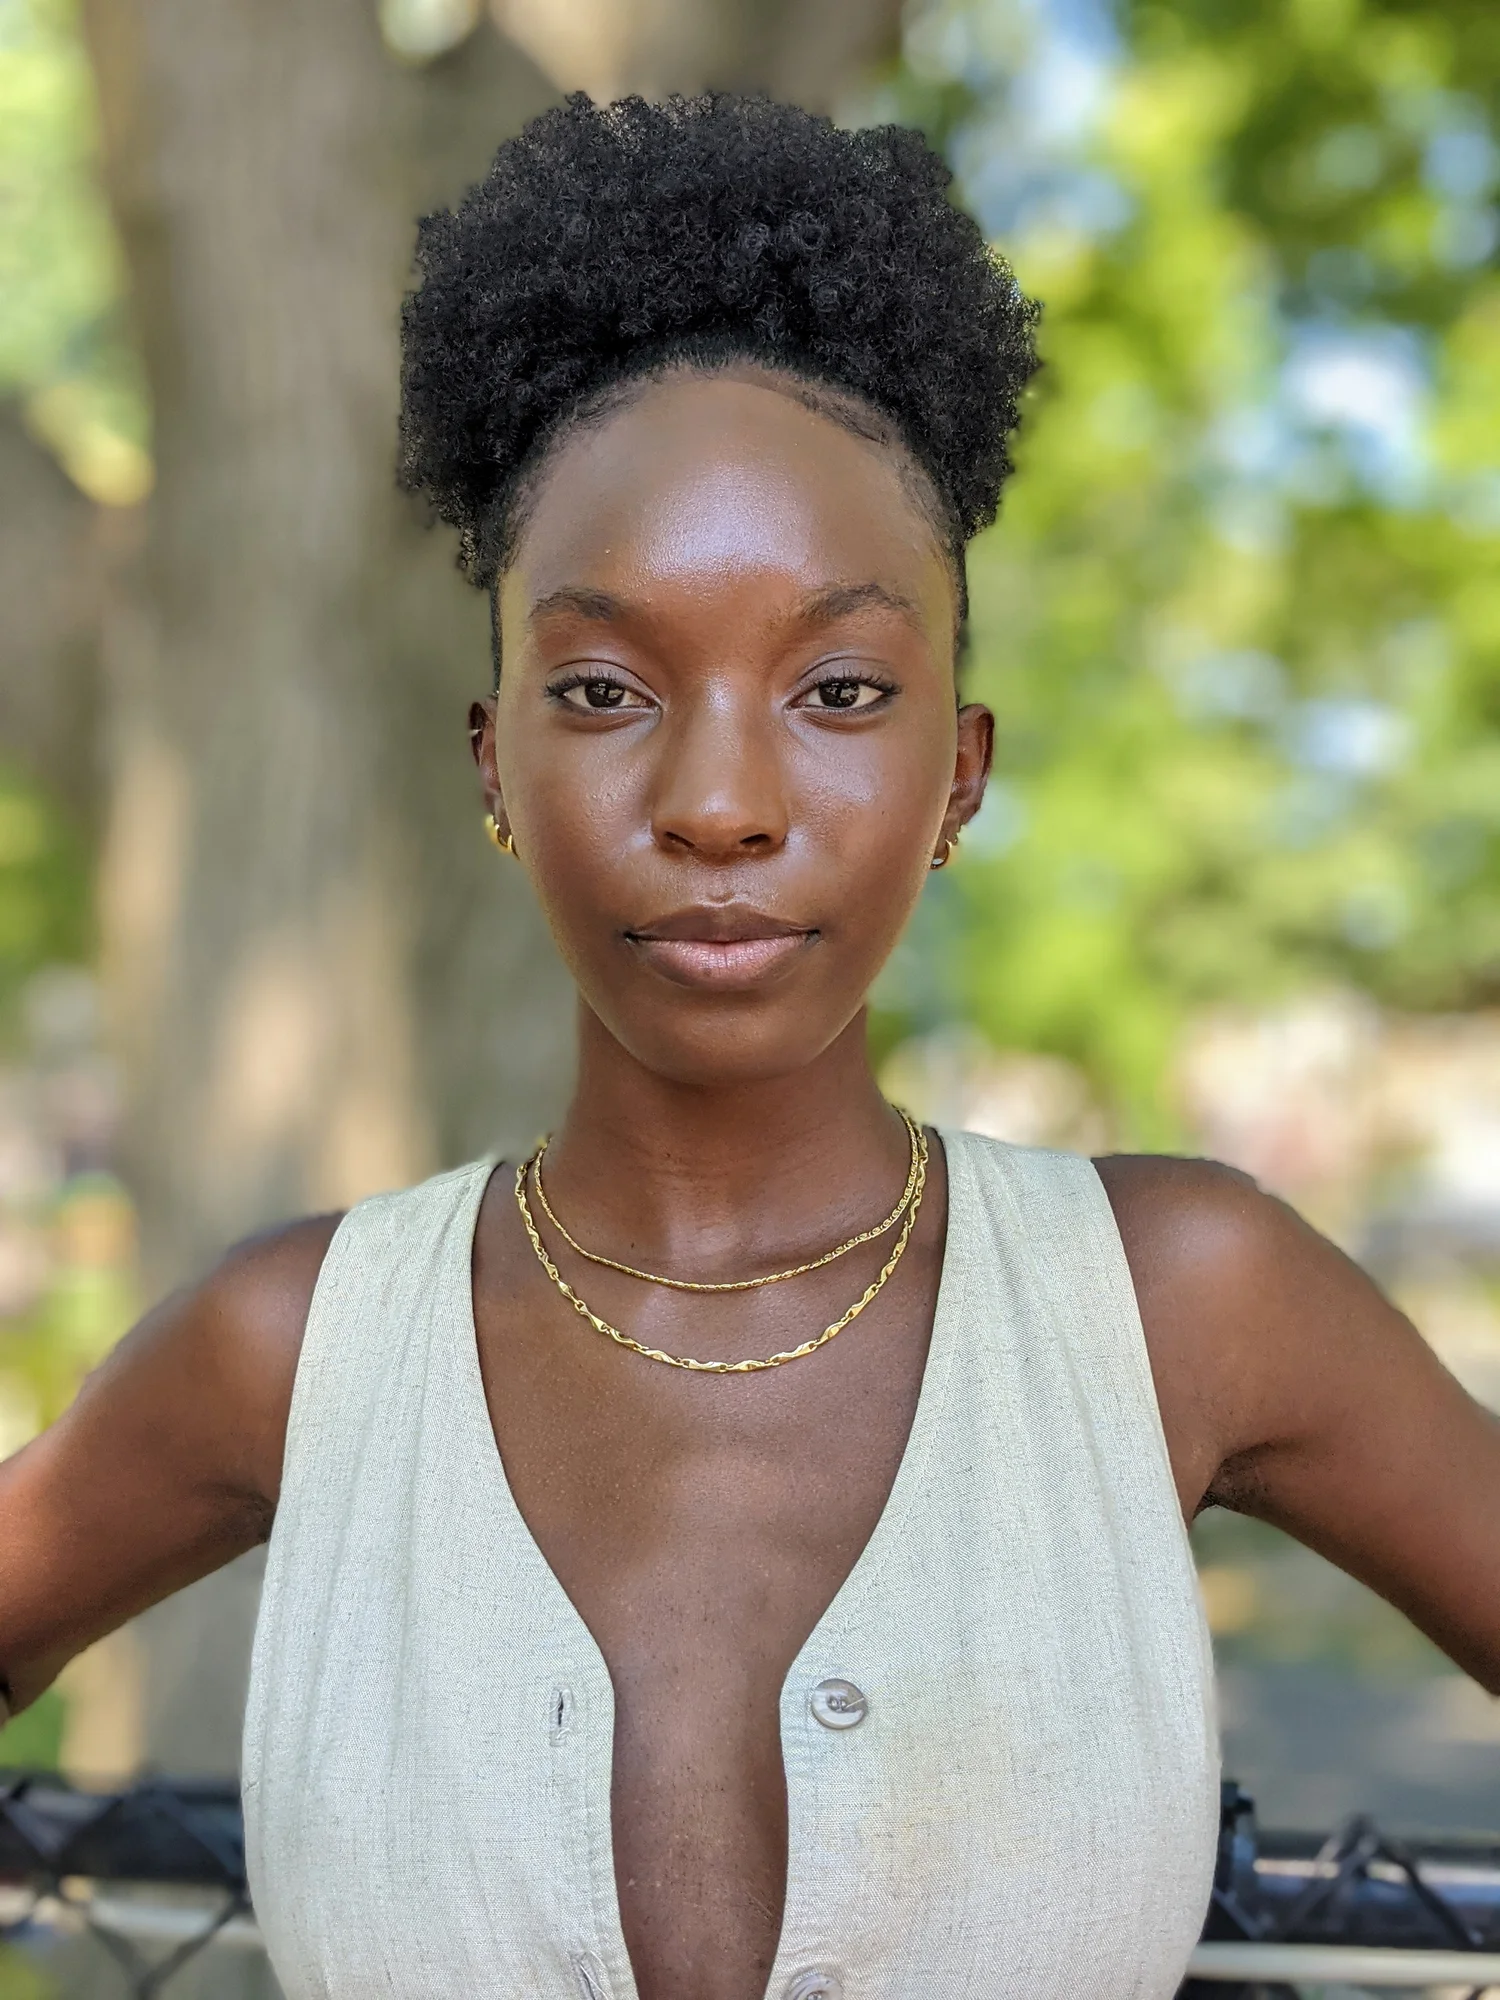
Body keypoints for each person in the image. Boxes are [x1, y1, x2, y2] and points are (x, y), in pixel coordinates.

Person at [1, 92, 1497, 2000]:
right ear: (496, 763)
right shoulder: (297, 1353)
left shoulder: (1186, 1303)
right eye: (608, 687)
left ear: (960, 773)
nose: (718, 800)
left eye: (841, 689)